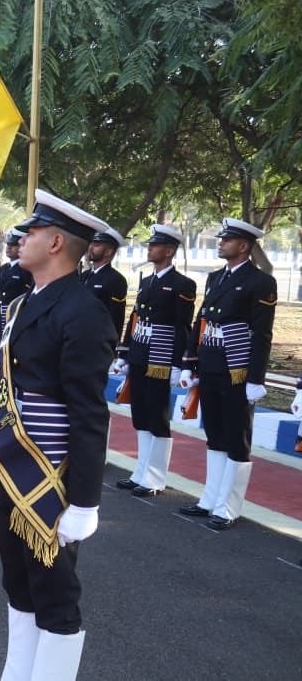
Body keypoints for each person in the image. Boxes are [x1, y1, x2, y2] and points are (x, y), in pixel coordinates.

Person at [0, 189, 116, 680]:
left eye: (29, 232)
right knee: (18, 584)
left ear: (55, 242)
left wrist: (86, 502)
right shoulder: (20, 305)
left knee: (55, 596)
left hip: (48, 480)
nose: (19, 239)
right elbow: (0, 393)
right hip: (10, 469)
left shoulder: (83, 311)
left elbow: (89, 413)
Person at [178, 218, 276, 530]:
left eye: (227, 239)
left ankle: (229, 507)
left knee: (237, 437)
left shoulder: (260, 282)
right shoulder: (216, 278)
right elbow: (202, 321)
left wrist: (255, 379)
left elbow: (261, 334)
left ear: (244, 246)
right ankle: (210, 499)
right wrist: (190, 363)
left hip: (236, 369)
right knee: (215, 434)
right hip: (211, 363)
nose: (220, 243)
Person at [111, 225, 196, 496]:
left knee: (157, 417)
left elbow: (183, 327)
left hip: (160, 357)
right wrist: (124, 353)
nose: (150, 248)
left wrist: (177, 363)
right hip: (140, 353)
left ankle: (155, 477)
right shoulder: (147, 281)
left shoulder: (183, 284)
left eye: (155, 245)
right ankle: (141, 471)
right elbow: (135, 319)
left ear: (169, 251)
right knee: (141, 415)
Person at [81, 228, 128, 336]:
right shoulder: (85, 275)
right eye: (91, 243)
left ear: (108, 251)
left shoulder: (116, 279)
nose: (90, 248)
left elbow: (116, 317)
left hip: (98, 338)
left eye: (96, 245)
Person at [0, 228, 33, 345]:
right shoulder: (4, 268)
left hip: (15, 315)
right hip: (0, 315)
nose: (8, 248)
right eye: (8, 244)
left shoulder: (26, 269)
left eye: (13, 245)